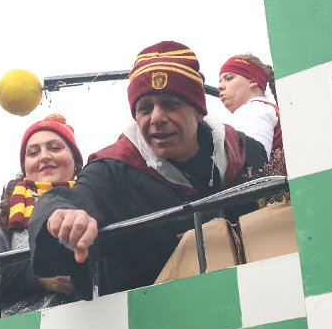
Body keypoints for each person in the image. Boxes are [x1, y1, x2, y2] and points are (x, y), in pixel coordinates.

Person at [28, 41, 268, 297]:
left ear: (199, 110)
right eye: (145, 108)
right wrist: (63, 216)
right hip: (160, 319)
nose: (156, 118)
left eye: (170, 103)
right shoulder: (112, 170)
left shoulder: (246, 152)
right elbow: (68, 199)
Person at [0, 114, 82, 322]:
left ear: (76, 160)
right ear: (25, 166)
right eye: (33, 152)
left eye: (55, 148)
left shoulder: (97, 201)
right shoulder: (3, 212)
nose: (44, 157)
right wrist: (35, 275)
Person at [218, 54, 282, 158]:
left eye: (229, 78)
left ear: (252, 80)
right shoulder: (270, 110)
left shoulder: (255, 109)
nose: (220, 86)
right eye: (220, 81)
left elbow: (253, 161)